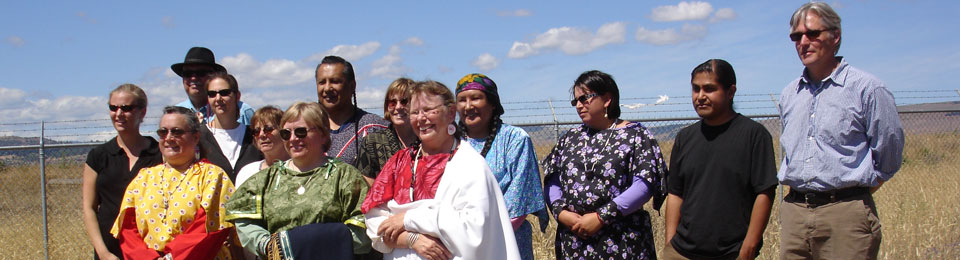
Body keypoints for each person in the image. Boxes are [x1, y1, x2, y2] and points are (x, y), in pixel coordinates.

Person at [778, 2, 904, 259]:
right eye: (796, 36)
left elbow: (889, 152)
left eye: (813, 33)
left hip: (845, 214)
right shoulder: (790, 94)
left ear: (835, 36)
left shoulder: (867, 89)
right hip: (795, 212)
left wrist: (853, 194)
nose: (803, 41)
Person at [361, 80, 520, 260]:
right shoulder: (398, 163)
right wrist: (412, 239)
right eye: (415, 112)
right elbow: (374, 222)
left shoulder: (470, 165)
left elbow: (474, 230)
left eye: (428, 110)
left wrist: (408, 219)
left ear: (451, 112)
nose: (421, 118)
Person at [542, 70, 667, 260]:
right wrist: (562, 213)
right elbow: (552, 179)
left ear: (607, 99)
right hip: (575, 239)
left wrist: (601, 217)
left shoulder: (636, 136)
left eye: (585, 98)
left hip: (622, 240)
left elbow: (644, 184)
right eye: (575, 101)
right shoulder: (569, 139)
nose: (578, 105)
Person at [225, 102, 372, 259]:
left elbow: (363, 232)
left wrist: (306, 244)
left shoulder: (345, 177)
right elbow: (244, 223)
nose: (293, 139)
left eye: (301, 132)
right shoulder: (266, 179)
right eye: (286, 134)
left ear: (323, 134)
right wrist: (269, 245)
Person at [662, 59, 777, 260]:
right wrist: (669, 243)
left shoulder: (754, 135)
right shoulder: (685, 138)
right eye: (696, 89)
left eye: (709, 89)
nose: (700, 96)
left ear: (731, 91)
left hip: (731, 253)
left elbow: (764, 192)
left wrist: (748, 248)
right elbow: (675, 193)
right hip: (682, 252)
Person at [110, 106, 240, 260]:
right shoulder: (143, 178)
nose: (169, 138)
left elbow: (210, 226)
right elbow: (128, 228)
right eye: (163, 132)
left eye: (177, 132)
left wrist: (172, 257)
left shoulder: (212, 176)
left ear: (196, 137)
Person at [454, 73, 547, 260]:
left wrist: (482, 238)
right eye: (462, 100)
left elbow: (518, 198)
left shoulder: (515, 139)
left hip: (506, 239)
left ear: (493, 103)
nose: (468, 106)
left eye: (476, 98)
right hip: (457, 242)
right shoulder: (449, 142)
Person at [82, 84, 163, 260]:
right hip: (109, 250)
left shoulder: (160, 155)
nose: (119, 114)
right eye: (113, 107)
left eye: (126, 108)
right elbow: (89, 208)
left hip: (149, 250)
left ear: (142, 112)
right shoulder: (99, 156)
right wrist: (103, 253)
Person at [315, 55, 388, 166]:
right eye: (322, 82)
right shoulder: (305, 131)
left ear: (352, 86)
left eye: (335, 81)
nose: (327, 88)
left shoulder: (374, 128)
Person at [199, 72, 263, 182]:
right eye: (212, 94)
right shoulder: (198, 137)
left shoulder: (254, 135)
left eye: (224, 93)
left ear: (237, 96)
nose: (218, 98)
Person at [357, 77, 418, 186]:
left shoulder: (427, 142)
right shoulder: (372, 143)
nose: (398, 107)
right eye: (392, 102)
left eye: (405, 102)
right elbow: (366, 190)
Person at [171, 46, 254, 125]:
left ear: (214, 75)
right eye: (187, 74)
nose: (193, 78)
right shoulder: (174, 114)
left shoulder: (243, 111)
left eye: (201, 73)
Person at [235, 106, 290, 187]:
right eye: (256, 131)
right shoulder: (247, 172)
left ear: (283, 132)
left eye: (268, 129)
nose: (261, 135)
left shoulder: (299, 168)